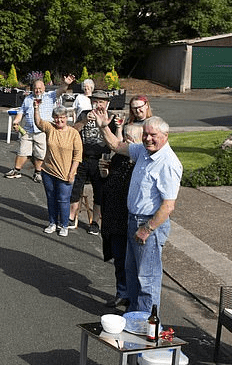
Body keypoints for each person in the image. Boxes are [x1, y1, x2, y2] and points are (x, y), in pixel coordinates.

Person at [93, 113, 182, 313]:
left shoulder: (168, 163)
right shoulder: (143, 151)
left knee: (147, 277)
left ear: (165, 136)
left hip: (149, 225)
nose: (148, 138)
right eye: (146, 134)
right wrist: (103, 127)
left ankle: (147, 324)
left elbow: (168, 206)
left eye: (153, 135)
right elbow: (116, 145)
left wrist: (147, 229)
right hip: (133, 220)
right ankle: (133, 315)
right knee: (131, 273)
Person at [100, 123, 143, 309]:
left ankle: (134, 299)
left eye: (132, 137)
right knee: (118, 258)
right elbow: (110, 181)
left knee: (132, 262)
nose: (127, 140)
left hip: (132, 217)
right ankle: (122, 293)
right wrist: (104, 174)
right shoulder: (119, 157)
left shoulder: (143, 160)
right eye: (126, 136)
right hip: (114, 216)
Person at [5, 75, 74, 181]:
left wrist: (66, 84)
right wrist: (16, 121)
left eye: (40, 88)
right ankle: (16, 170)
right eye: (35, 88)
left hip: (42, 130)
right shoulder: (28, 98)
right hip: (28, 130)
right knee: (22, 151)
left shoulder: (50, 96)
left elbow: (61, 90)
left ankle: (38, 172)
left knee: (40, 153)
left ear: (44, 89)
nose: (37, 90)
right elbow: (21, 111)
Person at [33, 104, 82, 237]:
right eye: (56, 118)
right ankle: (52, 223)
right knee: (51, 198)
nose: (59, 120)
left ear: (67, 118)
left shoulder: (73, 133)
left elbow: (77, 156)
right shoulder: (50, 128)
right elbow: (38, 123)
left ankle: (64, 225)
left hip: (66, 173)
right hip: (48, 171)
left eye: (62, 118)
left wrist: (72, 173)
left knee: (63, 199)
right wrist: (36, 108)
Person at [68, 90, 112, 233]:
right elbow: (73, 131)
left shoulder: (110, 117)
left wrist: (106, 125)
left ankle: (95, 223)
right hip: (82, 157)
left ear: (106, 104)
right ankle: (71, 217)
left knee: (99, 192)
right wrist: (85, 120)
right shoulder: (84, 113)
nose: (98, 105)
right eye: (96, 101)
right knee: (75, 188)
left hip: (101, 159)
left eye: (101, 102)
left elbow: (117, 140)